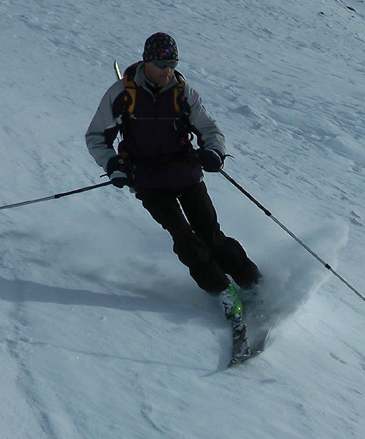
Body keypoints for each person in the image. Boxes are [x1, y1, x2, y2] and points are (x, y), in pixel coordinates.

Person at [85, 32, 260, 320]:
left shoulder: (182, 91)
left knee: (211, 235)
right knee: (184, 239)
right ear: (147, 62)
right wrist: (113, 165)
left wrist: (213, 152)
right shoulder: (122, 94)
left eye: (173, 64)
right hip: (149, 181)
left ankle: (254, 284)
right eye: (162, 65)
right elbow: (96, 137)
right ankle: (223, 293)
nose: (169, 71)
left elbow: (209, 129)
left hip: (185, 174)